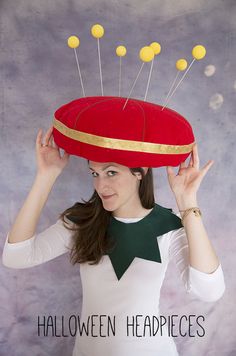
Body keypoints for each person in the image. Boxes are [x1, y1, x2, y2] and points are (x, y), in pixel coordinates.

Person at [2, 98, 225, 356]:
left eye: (111, 173)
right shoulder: (81, 222)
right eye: (94, 173)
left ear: (139, 172)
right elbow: (15, 257)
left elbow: (210, 291)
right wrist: (46, 176)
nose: (101, 186)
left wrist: (188, 203)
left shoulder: (169, 226)